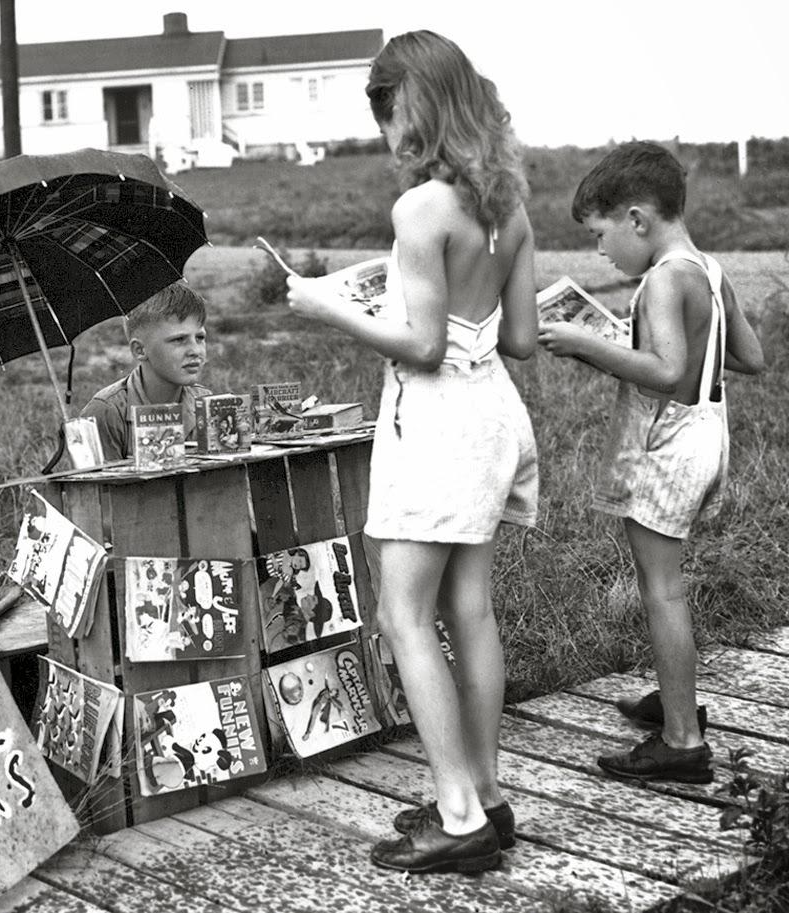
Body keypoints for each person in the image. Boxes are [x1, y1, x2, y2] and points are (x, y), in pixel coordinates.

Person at [286, 30, 539, 874]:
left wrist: (325, 305)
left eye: (388, 112)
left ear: (418, 103)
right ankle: (487, 792)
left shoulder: (422, 209)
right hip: (491, 414)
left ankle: (458, 811)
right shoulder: (509, 203)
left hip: (433, 423)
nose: (388, 135)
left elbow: (422, 345)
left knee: (402, 613)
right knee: (469, 609)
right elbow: (525, 338)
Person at [539, 141, 764, 783]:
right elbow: (748, 357)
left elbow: (664, 372)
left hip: (667, 446)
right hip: (708, 434)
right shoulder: (708, 270)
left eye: (601, 235)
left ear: (637, 219)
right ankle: (674, 698)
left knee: (660, 588)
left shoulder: (664, 278)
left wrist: (588, 343)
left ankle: (682, 741)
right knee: (665, 582)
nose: (601, 252)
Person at [79, 281, 211, 460]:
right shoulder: (106, 413)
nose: (195, 351)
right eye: (179, 340)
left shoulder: (205, 402)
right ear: (140, 350)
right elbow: (95, 487)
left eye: (200, 337)